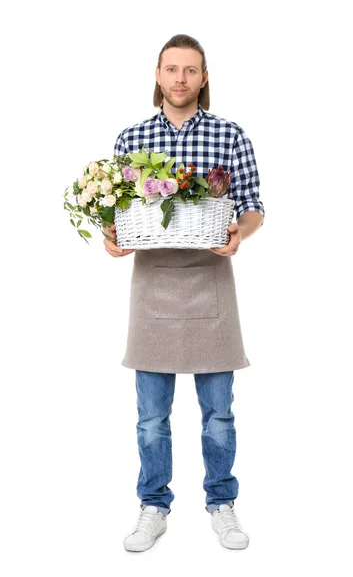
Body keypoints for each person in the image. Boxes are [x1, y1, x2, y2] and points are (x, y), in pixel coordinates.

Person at [104, 34, 265, 552]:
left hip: (211, 282)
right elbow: (119, 216)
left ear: (204, 77)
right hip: (152, 286)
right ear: (157, 75)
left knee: (219, 414)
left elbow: (254, 205)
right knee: (152, 417)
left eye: (190, 70)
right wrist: (113, 237)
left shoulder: (229, 135)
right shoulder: (130, 139)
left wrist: (241, 232)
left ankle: (221, 503)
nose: (180, 79)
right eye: (171, 69)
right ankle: (154, 505)